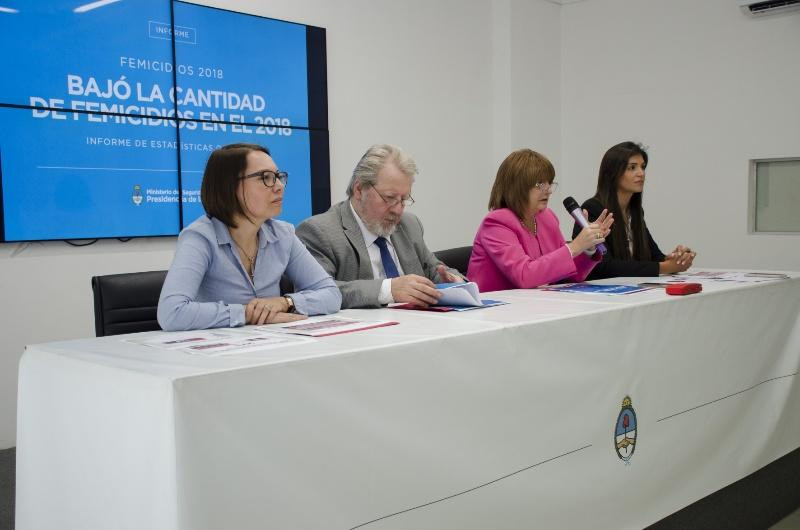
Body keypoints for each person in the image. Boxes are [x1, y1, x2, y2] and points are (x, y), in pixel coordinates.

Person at [157, 143, 341, 331]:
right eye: (266, 178)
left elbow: (332, 294)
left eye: (279, 177)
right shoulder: (200, 237)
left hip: (272, 346)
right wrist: (248, 313)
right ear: (229, 186)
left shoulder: (283, 234)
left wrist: (285, 302)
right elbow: (172, 313)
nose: (279, 187)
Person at [296, 144, 463, 309]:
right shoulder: (319, 232)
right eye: (389, 198)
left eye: (404, 200)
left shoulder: (409, 225)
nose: (398, 210)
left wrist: (454, 282)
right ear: (359, 189)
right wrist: (388, 290)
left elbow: (435, 270)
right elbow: (315, 293)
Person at [467, 149, 613, 292]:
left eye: (549, 183)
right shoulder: (496, 223)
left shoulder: (547, 217)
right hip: (494, 310)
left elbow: (569, 276)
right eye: (540, 184)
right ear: (518, 186)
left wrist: (587, 247)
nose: (548, 190)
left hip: (535, 306)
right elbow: (525, 276)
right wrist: (575, 246)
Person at [573, 141, 696, 279]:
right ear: (613, 173)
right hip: (603, 294)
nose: (641, 173)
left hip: (632, 292)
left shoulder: (635, 211)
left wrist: (676, 258)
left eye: (642, 167)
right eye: (632, 168)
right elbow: (604, 266)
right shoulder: (592, 209)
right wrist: (665, 267)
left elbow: (653, 256)